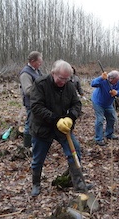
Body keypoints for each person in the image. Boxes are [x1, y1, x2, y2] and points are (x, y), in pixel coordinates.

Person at [29, 59, 90, 196]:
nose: (63, 81)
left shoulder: (69, 86)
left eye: (67, 78)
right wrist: (55, 119)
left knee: (75, 151)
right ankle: (36, 183)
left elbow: (77, 104)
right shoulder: (40, 84)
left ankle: (78, 182)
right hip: (42, 127)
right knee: (38, 157)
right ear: (53, 73)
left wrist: (71, 117)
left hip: (63, 128)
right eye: (61, 78)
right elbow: (36, 106)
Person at [91, 70, 119, 146]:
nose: (117, 82)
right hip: (98, 102)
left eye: (117, 81)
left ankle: (109, 134)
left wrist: (117, 93)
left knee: (112, 118)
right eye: (115, 81)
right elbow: (93, 83)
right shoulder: (103, 80)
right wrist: (100, 78)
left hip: (108, 104)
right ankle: (98, 139)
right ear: (110, 79)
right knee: (100, 120)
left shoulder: (118, 81)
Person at [19, 51, 43, 148]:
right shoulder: (25, 73)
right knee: (30, 123)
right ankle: (27, 146)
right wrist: (41, 91)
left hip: (39, 102)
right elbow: (27, 91)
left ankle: (35, 143)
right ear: (33, 61)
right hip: (31, 103)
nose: (40, 64)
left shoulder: (37, 70)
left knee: (36, 124)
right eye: (39, 62)